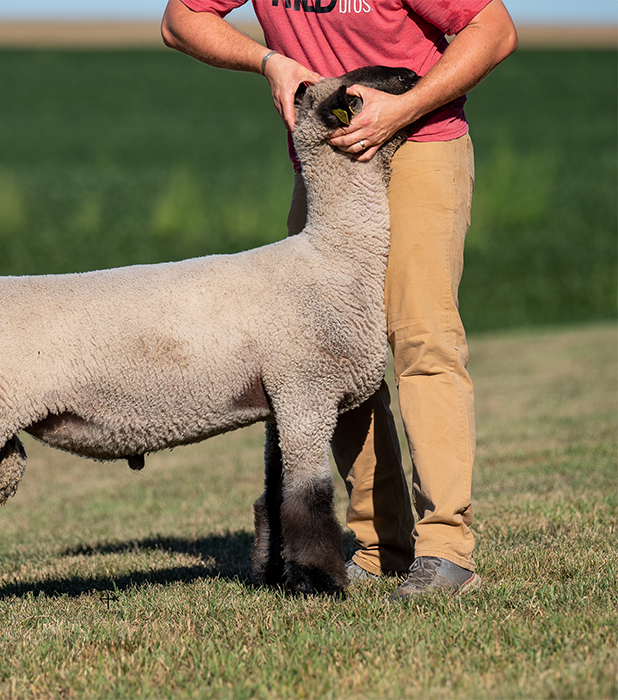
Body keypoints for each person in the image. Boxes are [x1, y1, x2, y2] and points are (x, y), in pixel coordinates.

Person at [161, 0, 518, 600]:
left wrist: (402, 107)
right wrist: (268, 61)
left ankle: (446, 549)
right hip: (329, 164)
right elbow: (179, 20)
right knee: (330, 354)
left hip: (418, 138)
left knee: (421, 335)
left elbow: (495, 30)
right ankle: (382, 546)